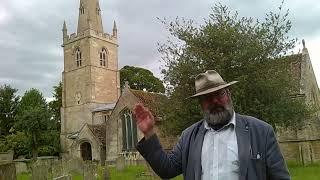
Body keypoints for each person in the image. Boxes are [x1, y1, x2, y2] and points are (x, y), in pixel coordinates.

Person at [133, 70, 290, 180]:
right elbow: (167, 169)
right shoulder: (189, 136)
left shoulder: (261, 132)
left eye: (219, 94)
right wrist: (149, 133)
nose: (214, 101)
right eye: (207, 97)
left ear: (229, 94)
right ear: (200, 104)